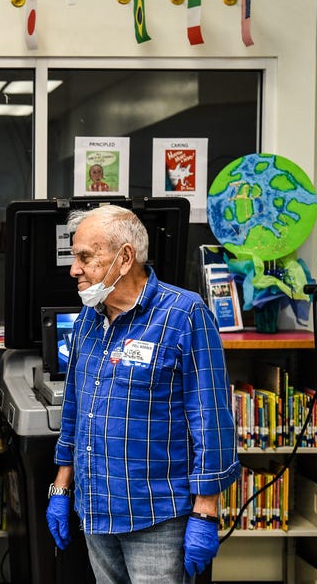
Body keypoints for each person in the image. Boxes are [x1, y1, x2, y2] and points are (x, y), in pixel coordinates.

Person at [46, 204, 239, 582]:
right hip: (96, 509)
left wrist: (205, 512)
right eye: (74, 257)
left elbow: (211, 419)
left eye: (85, 256)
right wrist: (61, 486)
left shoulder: (184, 315)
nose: (74, 269)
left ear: (125, 257)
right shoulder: (90, 316)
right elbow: (75, 411)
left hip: (157, 515)